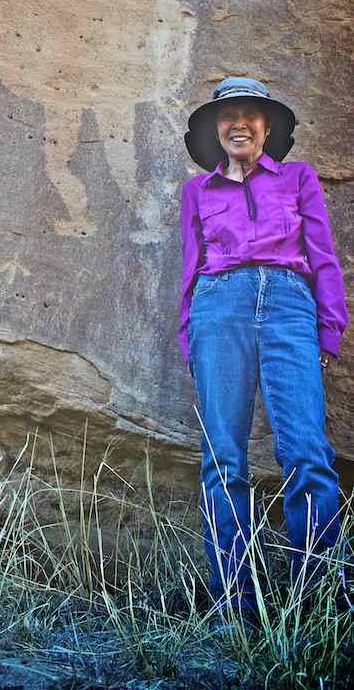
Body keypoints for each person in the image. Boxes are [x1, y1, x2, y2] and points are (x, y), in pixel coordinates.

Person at [179, 77, 348, 617]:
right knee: (223, 457)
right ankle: (235, 603)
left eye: (251, 115)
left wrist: (329, 329)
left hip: (288, 306)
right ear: (215, 130)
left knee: (306, 452)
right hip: (218, 309)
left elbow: (322, 255)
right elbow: (190, 267)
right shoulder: (197, 191)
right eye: (228, 116)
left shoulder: (298, 178)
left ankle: (317, 602)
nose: (240, 124)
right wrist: (190, 338)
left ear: (267, 127)